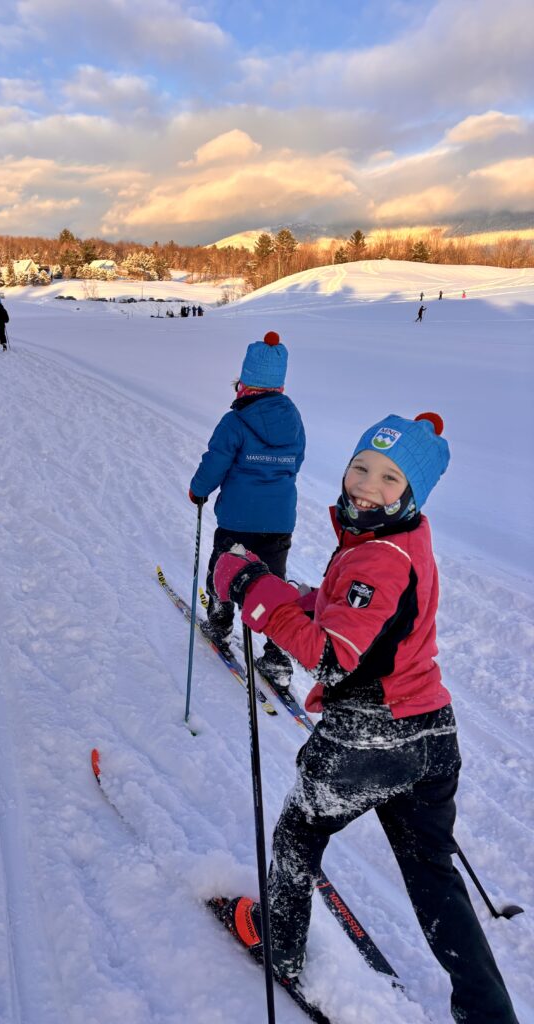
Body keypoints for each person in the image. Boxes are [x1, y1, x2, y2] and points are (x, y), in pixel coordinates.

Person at [212, 413, 519, 1024]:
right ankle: (489, 1014)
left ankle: (282, 946)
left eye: (389, 477)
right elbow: (357, 622)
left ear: (412, 493)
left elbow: (328, 656)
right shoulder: (404, 539)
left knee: (298, 835)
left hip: (370, 736)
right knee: (433, 873)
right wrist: (285, 593)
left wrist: (250, 587)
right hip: (431, 730)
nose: (366, 485)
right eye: (360, 466)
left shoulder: (375, 557)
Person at [189, 331, 305, 688]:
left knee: (224, 572)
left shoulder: (235, 421)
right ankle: (277, 656)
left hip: (238, 520)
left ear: (246, 380)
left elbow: (216, 463)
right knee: (272, 585)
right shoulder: (293, 419)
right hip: (279, 522)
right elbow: (296, 462)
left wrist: (198, 490)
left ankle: (220, 624)